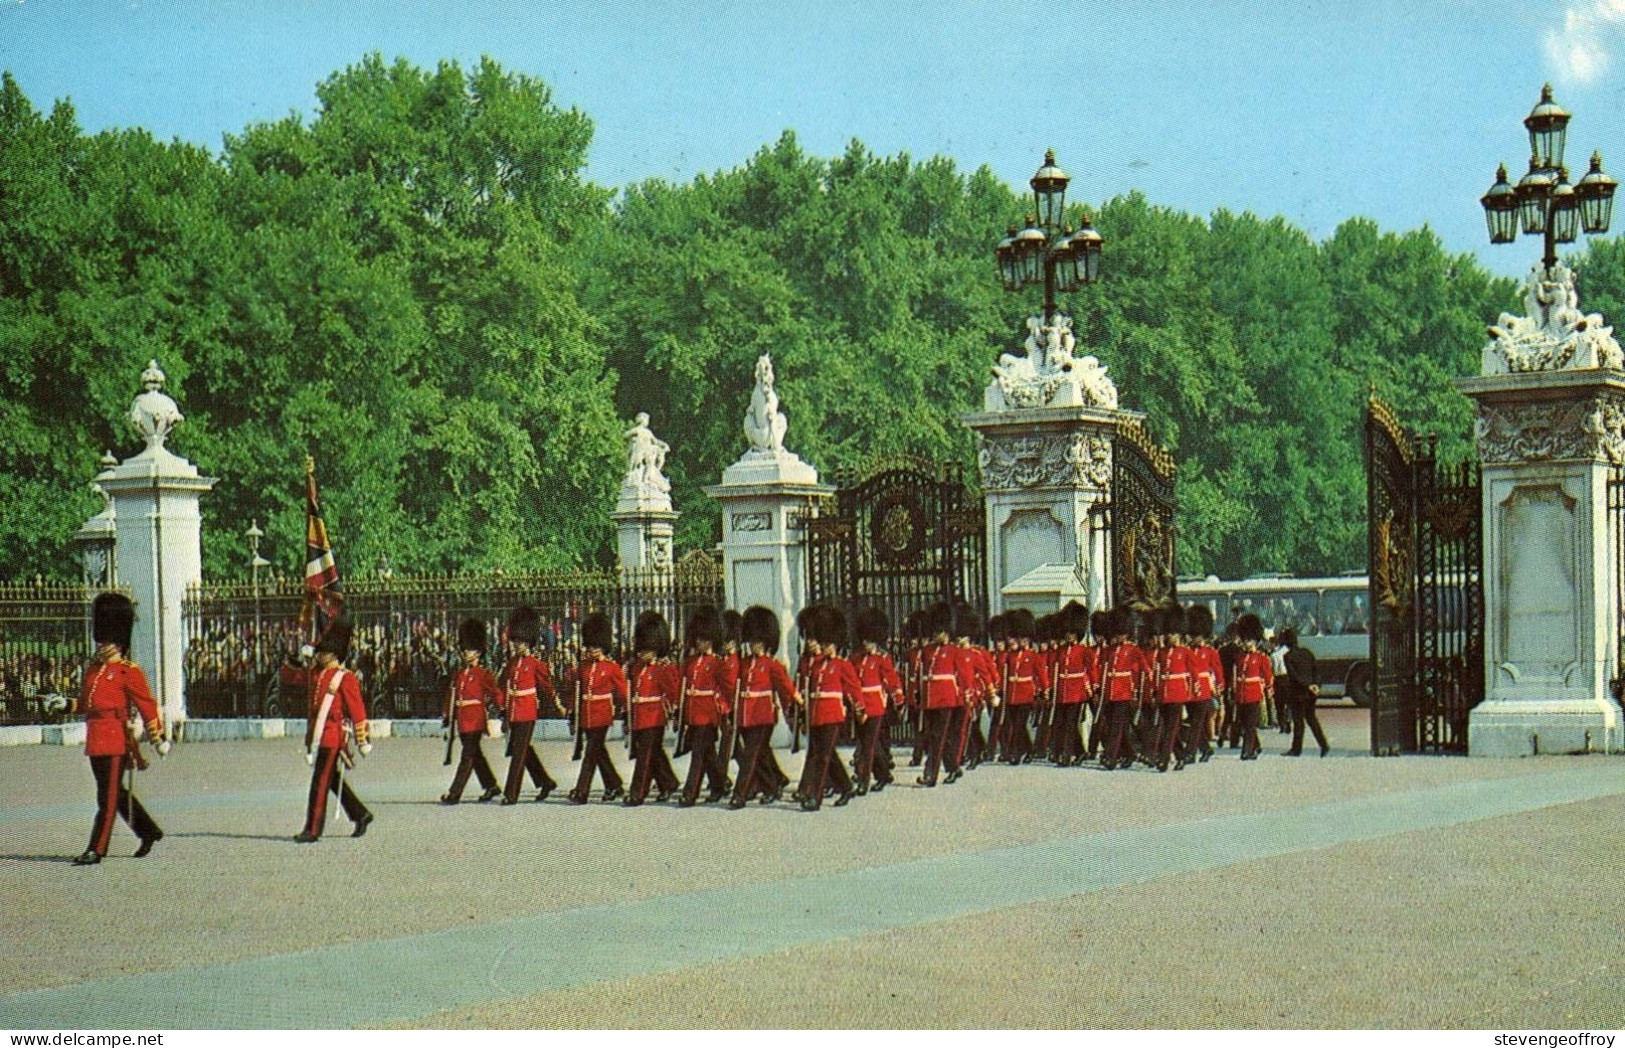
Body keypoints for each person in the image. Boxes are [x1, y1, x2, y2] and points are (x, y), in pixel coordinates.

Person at [74, 592, 168, 865]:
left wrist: (157, 736)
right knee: (115, 793)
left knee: (108, 797)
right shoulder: (94, 670)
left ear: (119, 641)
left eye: (108, 639)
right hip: (96, 738)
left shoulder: (128, 671)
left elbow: (147, 704)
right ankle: (148, 831)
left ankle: (96, 848)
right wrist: (63, 705)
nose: (103, 644)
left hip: (116, 739)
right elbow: (85, 703)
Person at [296, 616, 373, 842]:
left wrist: (362, 740)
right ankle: (361, 814)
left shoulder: (344, 677)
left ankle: (313, 829)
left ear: (335, 653)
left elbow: (357, 710)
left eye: (324, 651)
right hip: (321, 734)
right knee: (329, 779)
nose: (320, 654)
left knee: (320, 781)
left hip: (333, 736)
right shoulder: (318, 674)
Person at [730, 606, 797, 808]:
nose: (754, 646)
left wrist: (792, 709)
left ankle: (740, 794)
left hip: (763, 715)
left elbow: (785, 688)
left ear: (767, 642)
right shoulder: (743, 663)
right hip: (745, 715)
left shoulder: (772, 665)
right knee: (761, 754)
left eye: (758, 642)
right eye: (752, 641)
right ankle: (775, 782)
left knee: (751, 755)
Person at [795, 605, 859, 811]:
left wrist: (860, 709)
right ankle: (846, 787)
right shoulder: (815, 665)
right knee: (825, 755)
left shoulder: (842, 665)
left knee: (822, 757)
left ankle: (815, 796)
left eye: (829, 643)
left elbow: (853, 689)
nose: (826, 647)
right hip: (816, 715)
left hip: (832, 715)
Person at [498, 606, 563, 805]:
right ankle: (545, 781)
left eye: (522, 642)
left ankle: (511, 793)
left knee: (518, 752)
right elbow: (501, 687)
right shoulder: (510, 664)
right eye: (516, 641)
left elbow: (547, 687)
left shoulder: (536, 665)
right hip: (513, 711)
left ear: (530, 643)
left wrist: (557, 705)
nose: (518, 645)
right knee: (524, 749)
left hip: (527, 711)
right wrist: (502, 710)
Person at [440, 618, 501, 805]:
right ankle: (491, 785)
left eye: (471, 650)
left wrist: (504, 710)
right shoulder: (459, 675)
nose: (467, 653)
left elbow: (496, 693)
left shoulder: (483, 674)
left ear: (479, 652)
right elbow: (452, 696)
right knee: (475, 756)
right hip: (462, 720)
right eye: (465, 650)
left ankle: (454, 793)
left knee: (467, 757)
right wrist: (447, 715)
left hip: (475, 720)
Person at [678, 606, 735, 806]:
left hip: (709, 714)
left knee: (698, 754)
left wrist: (728, 710)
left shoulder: (718, 663)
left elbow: (728, 689)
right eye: (698, 639)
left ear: (712, 639)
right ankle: (720, 785)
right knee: (708, 754)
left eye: (704, 639)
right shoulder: (691, 662)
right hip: (694, 713)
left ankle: (690, 792)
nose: (700, 642)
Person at [625, 611, 681, 805]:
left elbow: (673, 691)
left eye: (646, 649)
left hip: (655, 716)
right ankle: (668, 783)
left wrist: (676, 712)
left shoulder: (663, 668)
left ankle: (637, 792)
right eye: (640, 649)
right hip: (639, 716)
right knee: (653, 752)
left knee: (645, 755)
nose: (642, 653)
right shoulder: (636, 668)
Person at [570, 612, 626, 803]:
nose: (592, 649)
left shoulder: (612, 668)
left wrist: (624, 712)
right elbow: (576, 691)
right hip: (586, 714)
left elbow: (622, 692)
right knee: (598, 752)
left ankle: (581, 790)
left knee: (590, 752)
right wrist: (572, 713)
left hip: (602, 714)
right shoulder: (583, 666)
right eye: (590, 645)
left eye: (596, 645)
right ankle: (614, 785)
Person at [850, 607, 902, 795]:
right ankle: (883, 775)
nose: (867, 644)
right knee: (869, 744)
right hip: (860, 706)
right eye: (865, 640)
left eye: (870, 640)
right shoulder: (855, 658)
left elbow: (891, 679)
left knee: (869, 745)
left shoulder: (882, 658)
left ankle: (864, 781)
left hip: (876, 706)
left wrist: (898, 699)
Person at [1099, 607, 1150, 770]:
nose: (1118, 636)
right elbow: (1103, 669)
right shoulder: (1109, 650)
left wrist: (1141, 690)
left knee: (1116, 726)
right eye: (1116, 633)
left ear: (1127, 633)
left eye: (1121, 633)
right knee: (1120, 725)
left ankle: (1110, 756)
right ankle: (1129, 752)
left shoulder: (1133, 650)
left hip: (1124, 692)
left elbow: (1145, 669)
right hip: (1111, 692)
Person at [1049, 602, 1094, 767]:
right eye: (1067, 633)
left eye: (1073, 634)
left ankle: (1066, 756)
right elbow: (1052, 669)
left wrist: (1092, 689)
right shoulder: (1060, 651)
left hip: (1077, 692)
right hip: (1063, 691)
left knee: (1070, 724)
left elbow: (1091, 670)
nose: (1069, 636)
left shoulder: (1083, 651)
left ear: (1078, 634)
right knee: (1064, 724)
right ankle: (1080, 752)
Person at [1000, 609, 1047, 764]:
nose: (1022, 641)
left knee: (1019, 725)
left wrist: (1044, 690)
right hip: (1012, 694)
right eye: (1020, 638)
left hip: (1026, 694)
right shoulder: (1010, 655)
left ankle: (1016, 753)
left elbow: (1041, 674)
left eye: (1025, 638)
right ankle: (1029, 750)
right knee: (1016, 724)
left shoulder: (1033, 656)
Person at [1280, 628, 1330, 757]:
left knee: (1298, 722)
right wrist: (1315, 685)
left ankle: (1296, 749)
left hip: (1298, 693)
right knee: (1312, 719)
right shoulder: (1308, 653)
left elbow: (1294, 676)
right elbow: (1316, 671)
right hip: (1311, 693)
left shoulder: (1288, 656)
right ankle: (1323, 744)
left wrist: (1307, 686)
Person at [1185, 605, 1224, 763]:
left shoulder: (1209, 652)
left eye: (1198, 635)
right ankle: (1206, 749)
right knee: (1196, 724)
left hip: (1203, 691)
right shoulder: (1187, 650)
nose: (1195, 638)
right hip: (1189, 690)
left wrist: (1220, 686)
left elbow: (1217, 670)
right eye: (1193, 634)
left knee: (1196, 723)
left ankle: (1190, 752)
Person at [1233, 613, 1273, 760]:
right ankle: (1256, 746)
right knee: (1245, 724)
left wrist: (1269, 690)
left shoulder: (1261, 657)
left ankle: (1247, 750)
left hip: (1254, 693)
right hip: (1241, 694)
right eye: (1244, 640)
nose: (1246, 643)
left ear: (1255, 640)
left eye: (1249, 640)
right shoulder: (1240, 656)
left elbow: (1268, 676)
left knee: (1250, 725)